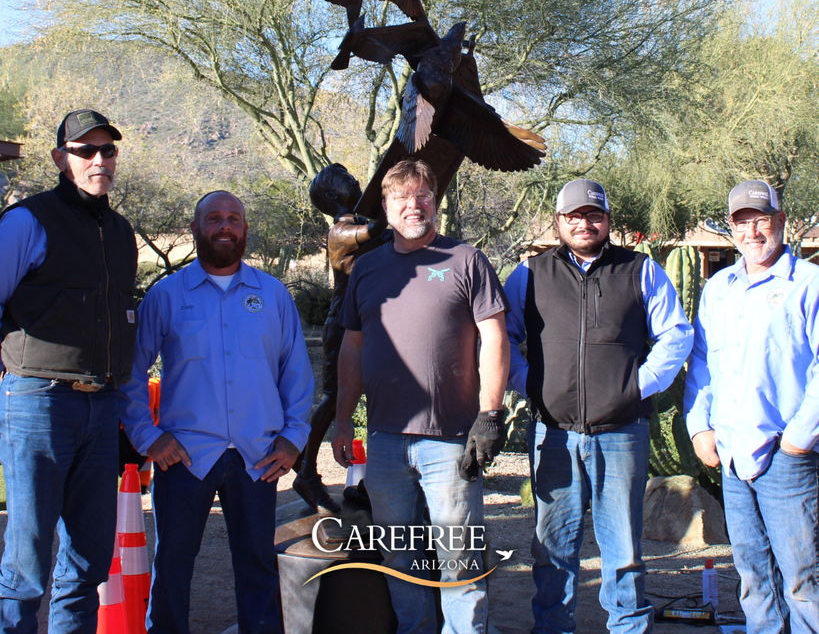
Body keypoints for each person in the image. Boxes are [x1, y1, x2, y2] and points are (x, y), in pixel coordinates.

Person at [119, 190, 313, 634]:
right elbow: (130, 375)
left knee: (258, 564)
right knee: (172, 566)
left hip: (257, 456)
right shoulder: (166, 296)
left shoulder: (273, 295)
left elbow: (296, 373)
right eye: (214, 218)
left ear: (245, 229)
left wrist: (293, 438)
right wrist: (149, 438)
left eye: (234, 219)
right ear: (195, 228)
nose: (225, 226)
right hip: (185, 455)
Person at [505, 178, 693, 634]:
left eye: (594, 215)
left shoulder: (640, 270)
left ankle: (628, 626)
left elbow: (676, 335)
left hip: (622, 432)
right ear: (558, 222)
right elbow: (501, 337)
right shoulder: (529, 274)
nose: (584, 223)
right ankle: (552, 628)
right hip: (553, 434)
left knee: (623, 548)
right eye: (574, 216)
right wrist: (528, 384)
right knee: (552, 548)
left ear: (608, 220)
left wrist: (638, 386)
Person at [332, 159, 510, 634]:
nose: (414, 205)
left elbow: (494, 338)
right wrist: (344, 418)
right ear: (386, 208)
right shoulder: (366, 270)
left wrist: (490, 414)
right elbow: (353, 346)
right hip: (385, 441)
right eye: (402, 198)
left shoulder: (466, 261)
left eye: (423, 196)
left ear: (436, 201)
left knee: (460, 558)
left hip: (450, 439)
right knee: (400, 557)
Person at [0, 108, 138, 634]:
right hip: (38, 401)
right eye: (85, 151)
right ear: (62, 159)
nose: (99, 159)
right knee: (28, 558)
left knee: (87, 557)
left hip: (101, 408)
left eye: (107, 150)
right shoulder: (27, 221)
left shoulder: (121, 232)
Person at [684, 179, 819, 632]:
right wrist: (699, 426)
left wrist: (800, 440)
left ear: (781, 220)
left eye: (762, 219)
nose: (753, 231)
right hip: (733, 455)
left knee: (803, 578)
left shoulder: (809, 284)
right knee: (752, 576)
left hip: (788, 456)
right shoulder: (719, 288)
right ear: (731, 229)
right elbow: (701, 362)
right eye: (743, 222)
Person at [293, 163, 388, 512]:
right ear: (333, 196)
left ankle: (376, 479)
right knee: (334, 398)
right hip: (344, 325)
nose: (357, 182)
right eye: (349, 182)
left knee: (382, 394)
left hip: (373, 323)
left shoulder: (360, 225)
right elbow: (380, 228)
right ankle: (305, 471)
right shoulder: (341, 231)